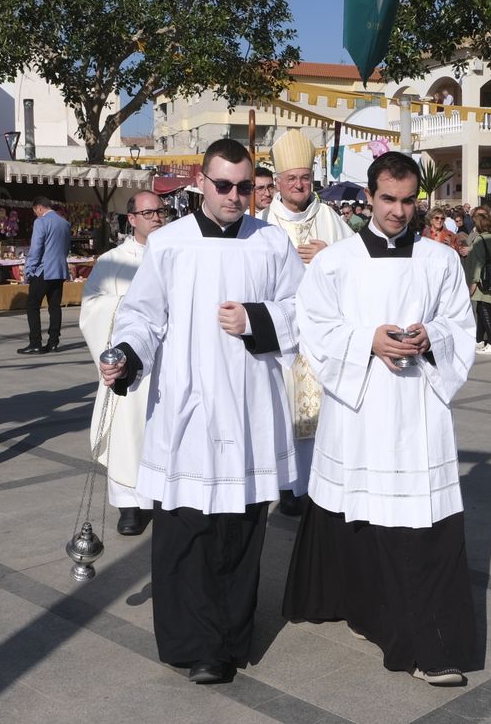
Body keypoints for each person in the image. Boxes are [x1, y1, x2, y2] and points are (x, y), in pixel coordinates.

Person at [98, 138, 304, 686]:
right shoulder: (168, 243)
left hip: (248, 407)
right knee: (187, 530)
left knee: (239, 531)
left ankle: (227, 645)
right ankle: (190, 641)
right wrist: (125, 354)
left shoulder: (272, 245)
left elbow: (303, 312)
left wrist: (257, 320)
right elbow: (143, 315)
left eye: (243, 187)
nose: (235, 196)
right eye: (223, 185)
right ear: (201, 181)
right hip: (187, 406)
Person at [283, 150, 480, 687]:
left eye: (408, 200)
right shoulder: (335, 262)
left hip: (417, 409)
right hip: (360, 406)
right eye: (388, 199)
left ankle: (422, 642)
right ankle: (347, 600)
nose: (398, 211)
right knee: (355, 509)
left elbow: (460, 326)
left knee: (417, 524)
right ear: (368, 197)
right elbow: (314, 329)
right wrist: (367, 340)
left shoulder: (441, 261)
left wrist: (429, 337)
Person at [257, 130, 353, 515]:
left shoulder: (330, 220)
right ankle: (288, 486)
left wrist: (331, 255)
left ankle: (320, 482)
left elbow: (359, 269)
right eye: (291, 179)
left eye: (305, 178)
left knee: (323, 409)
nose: (299, 185)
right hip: (281, 339)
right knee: (281, 409)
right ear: (278, 182)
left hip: (321, 336)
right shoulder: (262, 223)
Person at [78, 190, 168, 537]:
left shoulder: (177, 253)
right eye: (149, 213)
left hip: (166, 363)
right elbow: (91, 307)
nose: (157, 218)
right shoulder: (113, 260)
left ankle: (161, 497)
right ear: (131, 219)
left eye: (161, 212)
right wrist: (129, 308)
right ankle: (129, 505)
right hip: (129, 366)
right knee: (126, 435)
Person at [18, 196, 71, 355]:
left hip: (43, 270)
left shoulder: (41, 222)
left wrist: (29, 269)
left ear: (39, 208)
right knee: (54, 306)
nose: (36, 215)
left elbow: (36, 248)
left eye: (36, 212)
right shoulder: (64, 223)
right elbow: (66, 248)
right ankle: (53, 342)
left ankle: (35, 343)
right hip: (60, 270)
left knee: (32, 305)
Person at [463, 207, 491, 355]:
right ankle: (479, 341)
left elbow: (478, 263)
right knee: (482, 307)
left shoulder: (480, 240)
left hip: (482, 280)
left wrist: (473, 282)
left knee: (483, 309)